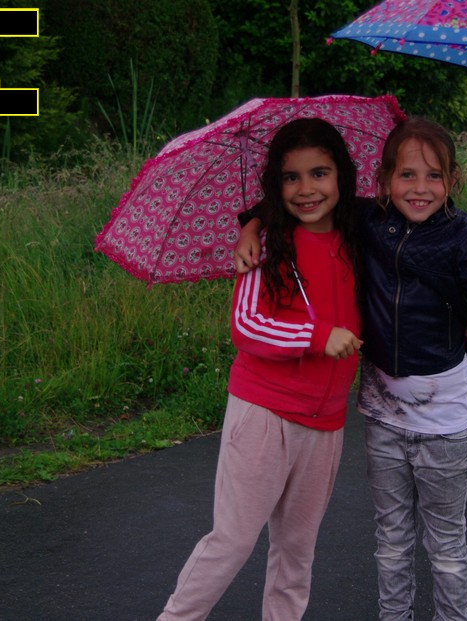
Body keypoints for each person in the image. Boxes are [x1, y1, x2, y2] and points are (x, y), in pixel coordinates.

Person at [237, 117, 467, 620]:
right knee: (391, 537)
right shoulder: (367, 220)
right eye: (406, 175)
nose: (419, 188)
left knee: (445, 543)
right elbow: (298, 203)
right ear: (384, 179)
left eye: (434, 176)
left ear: (453, 180)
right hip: (383, 413)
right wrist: (252, 226)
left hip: (443, 420)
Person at [156, 117, 364, 621]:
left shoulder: (359, 237)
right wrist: (316, 336)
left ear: (342, 175)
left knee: (297, 550)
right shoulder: (267, 246)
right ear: (276, 184)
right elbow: (246, 326)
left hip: (325, 423)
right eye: (291, 177)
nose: (307, 189)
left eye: (319, 173)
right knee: (232, 540)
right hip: (264, 414)